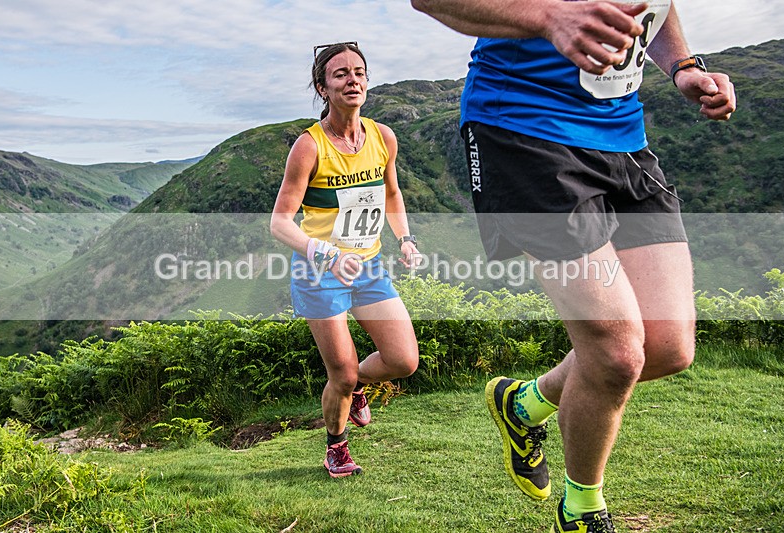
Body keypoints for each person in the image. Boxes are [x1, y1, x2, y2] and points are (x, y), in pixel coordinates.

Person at [412, 1, 736, 531]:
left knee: (669, 347)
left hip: (623, 138)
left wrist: (683, 67)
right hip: (523, 129)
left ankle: (524, 403)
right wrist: (547, 17)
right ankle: (582, 509)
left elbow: (655, 7)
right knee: (617, 353)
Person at [270, 42, 420, 478]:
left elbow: (391, 195)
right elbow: (280, 223)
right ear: (323, 88)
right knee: (342, 372)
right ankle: (336, 445)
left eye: (359, 72)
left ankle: (358, 390)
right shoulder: (309, 147)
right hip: (320, 271)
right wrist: (328, 254)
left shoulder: (382, 137)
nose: (352, 80)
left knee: (403, 360)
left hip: (369, 267)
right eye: (340, 75)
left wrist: (405, 239)